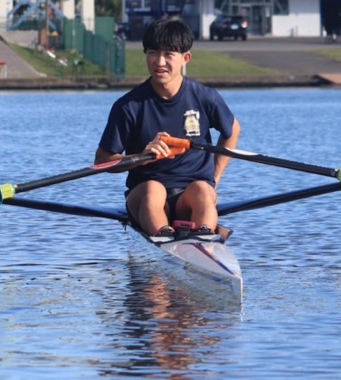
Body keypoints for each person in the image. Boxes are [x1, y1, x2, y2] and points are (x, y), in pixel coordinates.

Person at [96, 18, 241, 238]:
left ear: (186, 58)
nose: (159, 62)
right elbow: (102, 161)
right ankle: (164, 237)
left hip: (191, 195)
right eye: (153, 53)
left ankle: (203, 238)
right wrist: (143, 157)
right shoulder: (128, 106)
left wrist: (215, 177)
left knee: (203, 189)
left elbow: (232, 131)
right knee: (153, 188)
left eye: (168, 55)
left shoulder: (205, 98)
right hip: (145, 196)